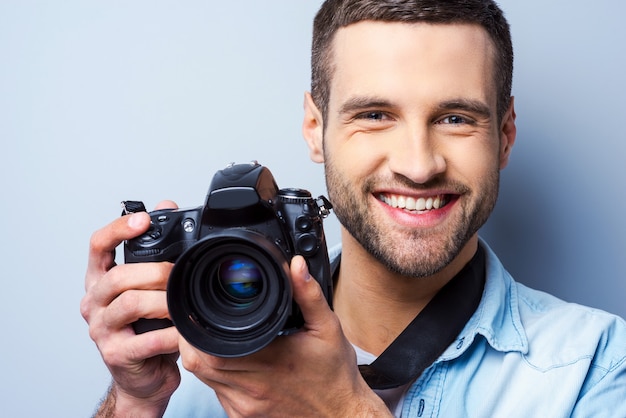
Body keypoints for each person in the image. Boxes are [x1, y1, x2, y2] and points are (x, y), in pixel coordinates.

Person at [81, 0, 626, 416]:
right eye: (375, 115)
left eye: (456, 118)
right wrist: (134, 400)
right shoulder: (203, 353)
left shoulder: (598, 369)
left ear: (505, 135)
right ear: (315, 129)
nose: (418, 165)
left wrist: (344, 408)